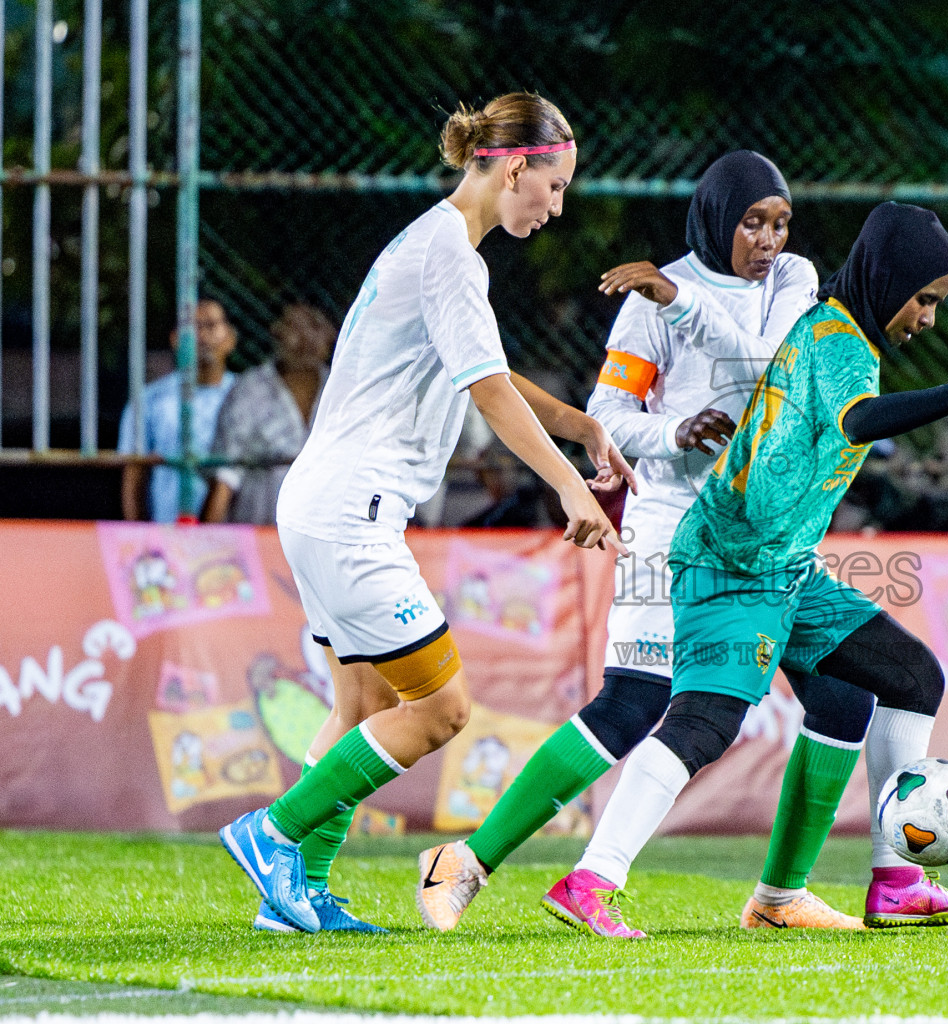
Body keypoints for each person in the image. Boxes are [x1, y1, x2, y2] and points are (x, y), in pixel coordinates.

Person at [536, 202, 948, 938]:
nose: (930, 319)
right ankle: (590, 878)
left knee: (902, 681)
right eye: (926, 298)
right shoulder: (837, 336)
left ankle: (875, 885)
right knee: (707, 722)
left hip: (782, 565)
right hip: (731, 560)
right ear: (891, 279)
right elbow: (858, 421)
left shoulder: (843, 332)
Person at [415, 150, 892, 934]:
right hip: (673, 526)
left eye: (779, 223)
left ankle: (780, 897)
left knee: (844, 692)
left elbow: (770, 365)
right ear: (715, 217)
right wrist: (672, 429)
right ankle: (467, 861)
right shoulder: (649, 301)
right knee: (633, 701)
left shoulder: (794, 283)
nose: (769, 239)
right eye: (752, 222)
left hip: (766, 533)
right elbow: (611, 418)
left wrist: (682, 303)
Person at [217, 92, 634, 936]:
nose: (556, 208)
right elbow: (483, 388)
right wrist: (568, 484)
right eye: (553, 188)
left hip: (323, 504)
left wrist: (581, 424)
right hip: (350, 513)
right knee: (442, 710)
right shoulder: (452, 253)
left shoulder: (433, 241)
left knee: (361, 705)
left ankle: (295, 896)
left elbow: (490, 373)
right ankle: (276, 832)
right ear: (516, 166)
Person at [202, 303, 337, 525]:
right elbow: (225, 475)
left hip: (327, 534)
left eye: (314, 326)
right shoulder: (248, 391)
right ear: (277, 332)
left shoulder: (342, 390)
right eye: (295, 327)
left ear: (331, 334)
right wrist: (206, 539)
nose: (305, 339)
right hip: (262, 534)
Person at [118, 300, 238, 523]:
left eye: (211, 325)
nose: (201, 335)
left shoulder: (246, 397)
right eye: (192, 327)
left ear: (230, 339)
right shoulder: (150, 399)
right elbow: (134, 474)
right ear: (175, 339)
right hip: (166, 534)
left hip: (237, 538)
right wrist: (139, 538)